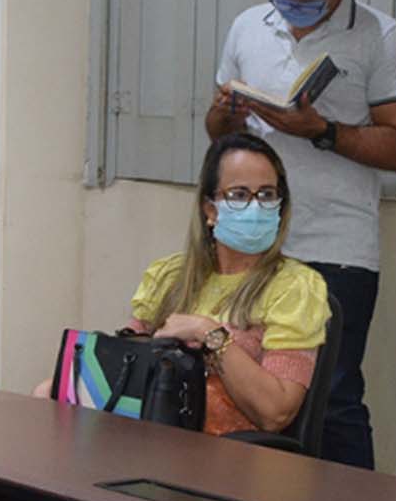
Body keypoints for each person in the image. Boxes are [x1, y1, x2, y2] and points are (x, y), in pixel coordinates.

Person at [207, 0, 396, 469]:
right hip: (252, 242)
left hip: (337, 248)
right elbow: (220, 137)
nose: (293, 5)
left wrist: (323, 131)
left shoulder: (381, 35)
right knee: (239, 386)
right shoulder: (248, 27)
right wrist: (222, 115)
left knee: (334, 398)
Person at [34, 133, 329, 439]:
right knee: (48, 396)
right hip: (151, 436)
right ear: (210, 209)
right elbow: (126, 363)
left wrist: (208, 333)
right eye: (239, 195)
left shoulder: (294, 287)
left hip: (227, 457)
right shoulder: (171, 275)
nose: (256, 207)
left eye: (267, 195)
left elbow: (276, 412)